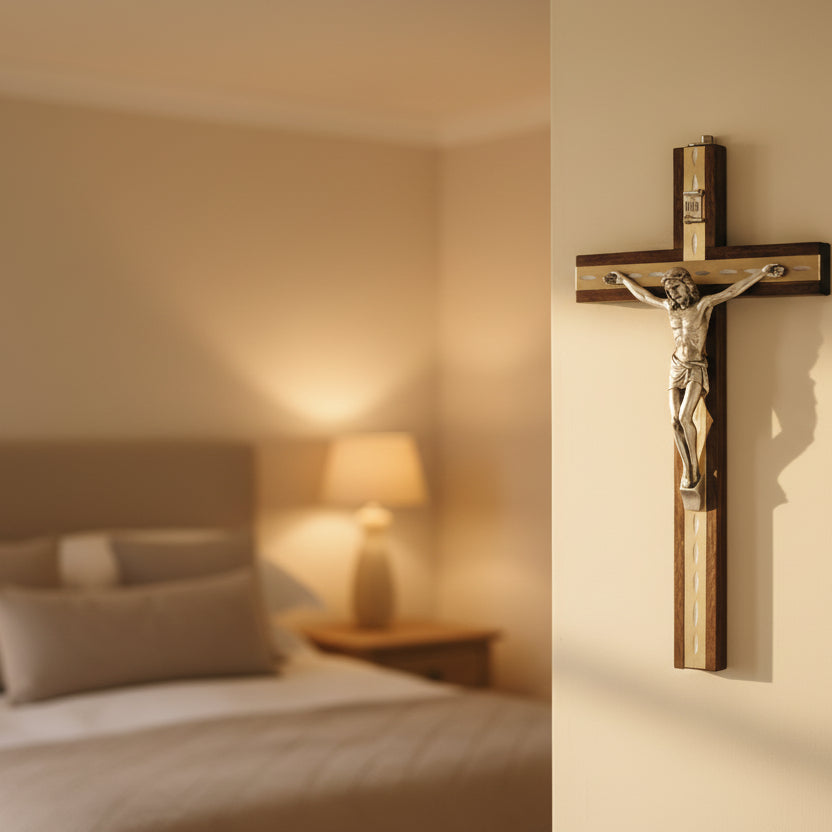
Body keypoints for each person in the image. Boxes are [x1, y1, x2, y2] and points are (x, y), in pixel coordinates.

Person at [607, 263, 783, 491]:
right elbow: (644, 296)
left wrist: (762, 273)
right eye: (669, 291)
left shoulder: (703, 306)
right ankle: (688, 467)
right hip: (676, 366)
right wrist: (623, 280)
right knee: (674, 421)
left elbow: (731, 291)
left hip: (695, 367)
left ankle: (693, 470)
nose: (672, 294)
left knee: (684, 417)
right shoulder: (669, 307)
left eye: (676, 288)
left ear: (687, 286)